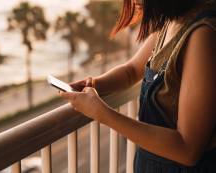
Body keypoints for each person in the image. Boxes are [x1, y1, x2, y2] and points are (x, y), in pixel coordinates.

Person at [59, 0, 216, 172]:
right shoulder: (170, 22)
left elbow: (188, 149)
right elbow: (131, 71)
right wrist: (95, 83)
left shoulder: (203, 35)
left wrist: (101, 113)